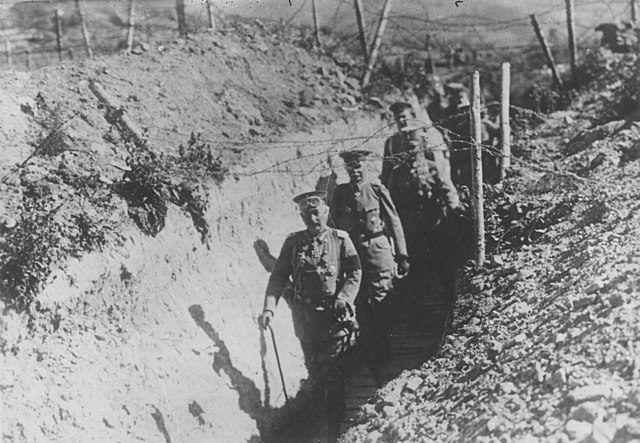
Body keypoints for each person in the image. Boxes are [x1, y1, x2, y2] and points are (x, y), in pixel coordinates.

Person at [260, 190, 361, 443]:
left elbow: (354, 272)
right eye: (306, 214)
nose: (311, 218)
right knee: (316, 375)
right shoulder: (293, 243)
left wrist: (344, 298)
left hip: (334, 321)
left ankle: (334, 433)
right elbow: (278, 278)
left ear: (326, 211)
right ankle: (318, 426)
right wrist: (269, 308)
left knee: (333, 376)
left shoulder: (340, 240)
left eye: (315, 212)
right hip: (306, 323)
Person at [329, 150, 409, 383]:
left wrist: (402, 254)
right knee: (361, 303)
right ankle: (369, 350)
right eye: (351, 168)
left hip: (377, 250)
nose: (356, 172)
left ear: (367, 167)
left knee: (383, 300)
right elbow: (332, 226)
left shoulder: (376, 189)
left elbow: (394, 220)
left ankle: (384, 344)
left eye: (359, 167)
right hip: (353, 255)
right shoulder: (341, 194)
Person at [387, 128, 462, 332]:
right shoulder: (397, 173)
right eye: (406, 149)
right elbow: (391, 205)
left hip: (434, 229)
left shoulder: (432, 168)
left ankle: (451, 311)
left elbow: (449, 191)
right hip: (412, 233)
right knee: (416, 276)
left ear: (420, 148)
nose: (409, 152)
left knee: (442, 269)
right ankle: (418, 320)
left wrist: (452, 211)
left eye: (413, 148)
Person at [381, 101, 449, 187]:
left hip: (428, 183)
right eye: (397, 119)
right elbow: (386, 172)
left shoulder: (427, 136)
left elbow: (440, 165)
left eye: (404, 116)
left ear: (412, 116)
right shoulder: (391, 142)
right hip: (402, 187)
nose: (401, 121)